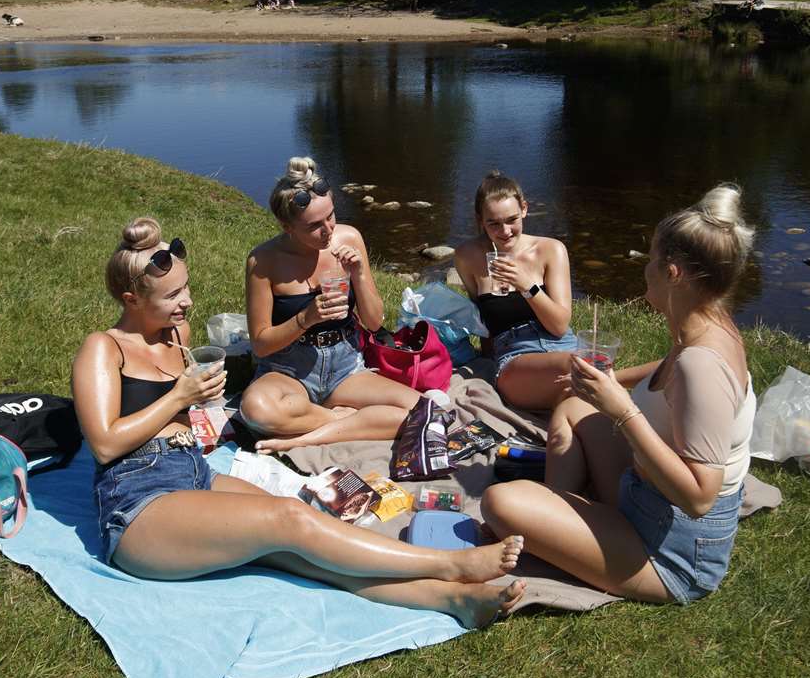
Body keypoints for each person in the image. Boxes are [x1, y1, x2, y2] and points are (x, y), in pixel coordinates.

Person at [71, 216, 526, 625]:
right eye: (172, 296)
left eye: (186, 288)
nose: (187, 302)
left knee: (306, 544)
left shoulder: (177, 334)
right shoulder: (104, 347)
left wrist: (195, 404)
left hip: (192, 473)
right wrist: (179, 398)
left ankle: (454, 601)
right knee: (290, 519)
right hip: (137, 506)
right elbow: (106, 445)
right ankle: (448, 565)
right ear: (131, 299)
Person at [481, 184, 757, 604]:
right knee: (572, 405)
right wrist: (602, 381)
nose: (645, 268)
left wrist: (623, 410)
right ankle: (562, 516)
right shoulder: (708, 325)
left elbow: (700, 497)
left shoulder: (703, 365)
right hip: (645, 497)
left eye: (651, 259)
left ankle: (557, 522)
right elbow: (669, 372)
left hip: (671, 552)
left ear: (672, 273)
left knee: (500, 502)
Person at [241, 156, 423, 451]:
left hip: (345, 366)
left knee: (422, 409)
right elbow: (261, 344)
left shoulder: (349, 238)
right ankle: (344, 420)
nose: (328, 230)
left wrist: (360, 274)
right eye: (314, 225)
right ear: (287, 227)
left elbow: (374, 323)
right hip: (289, 369)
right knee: (257, 409)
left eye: (331, 215)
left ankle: (307, 432)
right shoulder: (264, 260)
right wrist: (305, 318)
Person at [452, 171, 578, 412]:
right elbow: (483, 322)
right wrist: (486, 361)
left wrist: (527, 286)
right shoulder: (468, 256)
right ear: (481, 221)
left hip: (561, 344)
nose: (505, 231)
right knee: (580, 369)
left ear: (524, 209)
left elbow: (560, 326)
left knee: (579, 382)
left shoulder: (550, 249)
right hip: (515, 354)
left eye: (512, 219)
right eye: (494, 223)